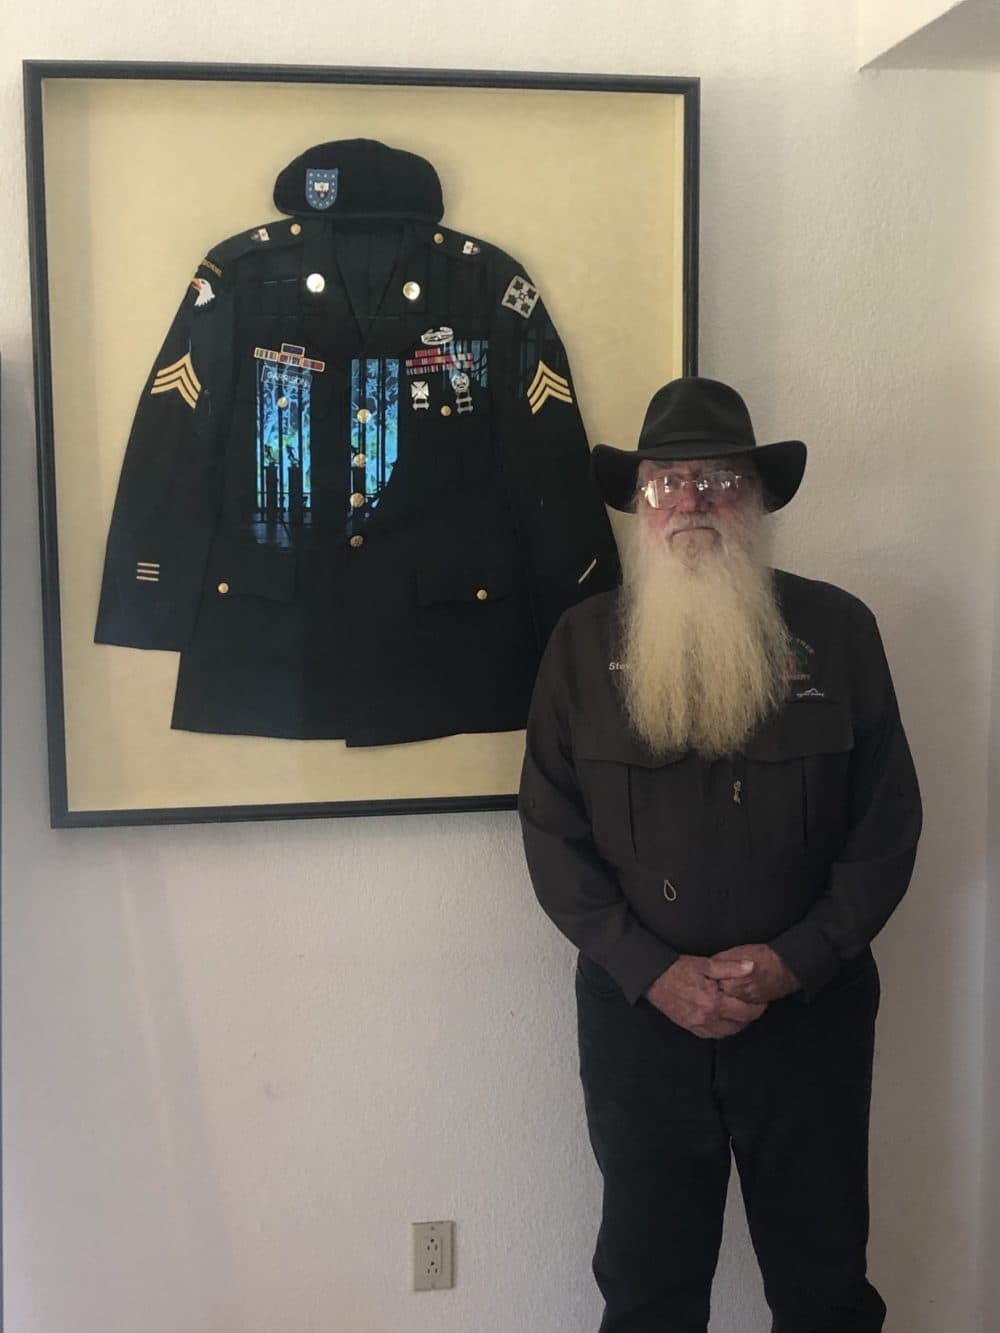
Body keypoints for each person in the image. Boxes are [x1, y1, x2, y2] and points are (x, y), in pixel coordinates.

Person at [518, 377, 922, 1333]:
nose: (690, 501)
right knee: (648, 1291)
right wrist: (651, 971)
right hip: (639, 1023)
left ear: (757, 497)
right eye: (666, 482)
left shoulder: (839, 632)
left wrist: (796, 960)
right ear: (638, 505)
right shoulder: (580, 647)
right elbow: (549, 828)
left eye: (716, 478)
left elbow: (887, 828)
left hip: (810, 1019)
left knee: (825, 1289)